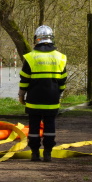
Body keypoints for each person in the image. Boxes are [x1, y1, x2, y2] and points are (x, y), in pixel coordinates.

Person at [18, 26, 67, 162]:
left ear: (36, 39)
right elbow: (62, 81)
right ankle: (48, 153)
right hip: (52, 98)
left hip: (34, 98)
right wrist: (59, 94)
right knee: (50, 125)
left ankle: (34, 153)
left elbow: (24, 80)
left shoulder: (30, 57)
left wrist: (21, 95)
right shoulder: (60, 57)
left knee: (34, 126)